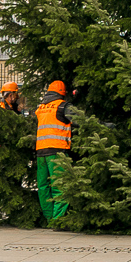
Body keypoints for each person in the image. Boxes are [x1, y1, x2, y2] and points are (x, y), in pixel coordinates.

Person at [35, 81, 74, 226]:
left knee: (43, 186)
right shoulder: (63, 106)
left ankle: (49, 218)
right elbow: (80, 120)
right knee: (60, 186)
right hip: (57, 151)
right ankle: (57, 220)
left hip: (40, 151)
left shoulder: (41, 108)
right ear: (62, 92)